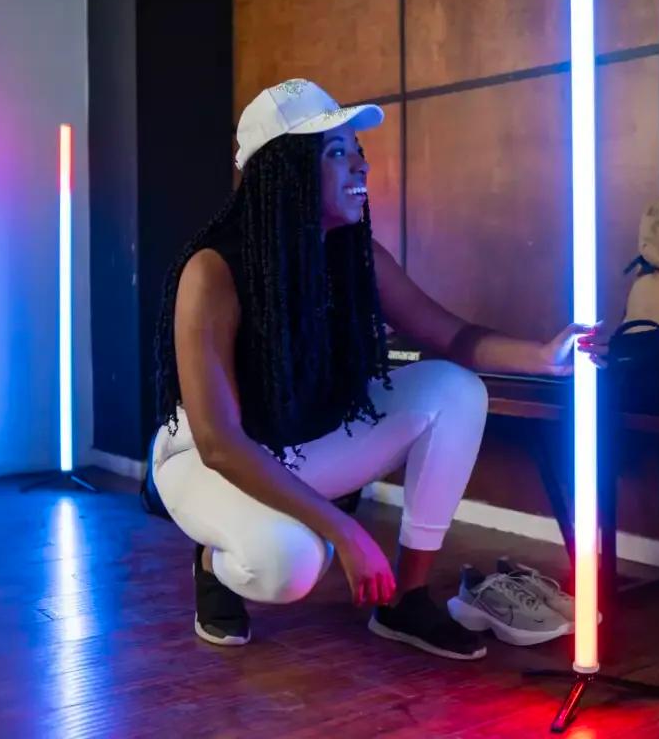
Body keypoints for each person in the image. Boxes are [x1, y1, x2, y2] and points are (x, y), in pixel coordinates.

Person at [147, 78, 602, 661]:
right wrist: (346, 532)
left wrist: (542, 356)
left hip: (298, 447)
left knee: (455, 389)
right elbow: (220, 443)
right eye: (336, 152)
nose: (360, 165)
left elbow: (453, 337)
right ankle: (214, 562)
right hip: (207, 462)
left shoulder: (356, 257)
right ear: (284, 171)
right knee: (291, 565)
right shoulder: (212, 272)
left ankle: (406, 601)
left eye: (356, 150)